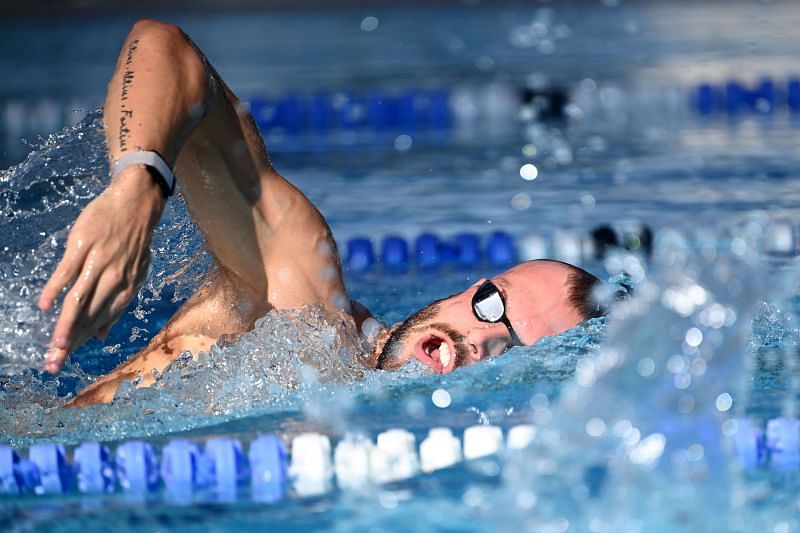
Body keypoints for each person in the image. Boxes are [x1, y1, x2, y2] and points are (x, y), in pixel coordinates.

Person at [36, 20, 602, 407]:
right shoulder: (303, 307)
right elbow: (163, 44)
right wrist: (139, 185)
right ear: (468, 288)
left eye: (517, 351)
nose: (478, 341)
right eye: (491, 304)